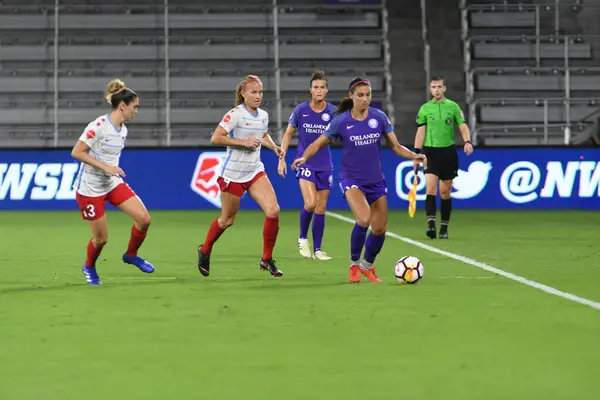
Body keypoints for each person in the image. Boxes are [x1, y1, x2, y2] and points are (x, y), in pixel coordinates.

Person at [292, 77, 426, 283]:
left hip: (376, 181)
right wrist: (304, 157)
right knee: (363, 219)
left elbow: (396, 146)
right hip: (351, 179)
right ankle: (354, 265)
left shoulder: (379, 117)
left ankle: (367, 266)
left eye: (368, 95)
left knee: (380, 229)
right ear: (351, 96)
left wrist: (413, 155)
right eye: (361, 95)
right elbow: (318, 143)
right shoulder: (341, 121)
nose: (365, 99)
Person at [197, 75, 285, 278]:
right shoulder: (235, 114)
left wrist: (273, 146)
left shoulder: (263, 115)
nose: (257, 96)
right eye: (253, 92)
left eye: (260, 92)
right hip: (233, 175)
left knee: (273, 211)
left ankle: (267, 258)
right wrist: (242, 142)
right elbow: (216, 138)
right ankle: (205, 250)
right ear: (243, 93)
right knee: (227, 220)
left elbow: (262, 133)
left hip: (254, 170)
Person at [71, 79, 154, 285]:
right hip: (90, 189)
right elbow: (77, 152)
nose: (136, 111)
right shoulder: (98, 126)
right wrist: (105, 166)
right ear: (123, 106)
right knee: (101, 239)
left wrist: (110, 171)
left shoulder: (122, 129)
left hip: (111, 183)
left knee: (144, 220)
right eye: (135, 107)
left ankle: (131, 255)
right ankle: (89, 266)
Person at [278, 70, 337, 261]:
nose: (319, 91)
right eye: (315, 87)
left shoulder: (333, 112)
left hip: (325, 164)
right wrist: (282, 157)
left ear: (326, 90)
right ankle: (303, 238)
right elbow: (288, 134)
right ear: (310, 90)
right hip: (305, 162)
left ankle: (318, 249)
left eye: (322, 87)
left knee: (321, 208)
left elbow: (339, 135)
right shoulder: (301, 110)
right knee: (310, 203)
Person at [414, 76, 473, 240]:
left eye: (439, 86)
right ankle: (431, 225)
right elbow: (421, 132)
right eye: (433, 87)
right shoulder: (425, 109)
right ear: (430, 89)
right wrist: (417, 152)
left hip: (448, 152)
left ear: (444, 89)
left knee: (445, 191)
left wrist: (467, 142)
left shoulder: (453, 107)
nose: (437, 90)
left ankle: (444, 227)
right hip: (430, 152)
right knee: (430, 188)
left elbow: (462, 125)